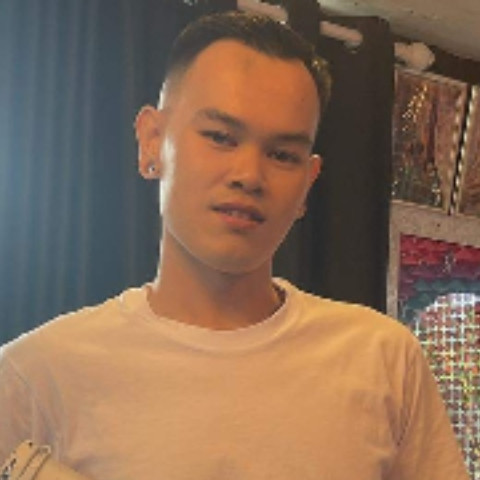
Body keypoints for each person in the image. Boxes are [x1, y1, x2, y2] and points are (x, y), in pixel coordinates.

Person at [0, 10, 469, 480]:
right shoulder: (34, 377)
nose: (249, 175)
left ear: (308, 183)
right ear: (152, 141)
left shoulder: (383, 360)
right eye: (221, 137)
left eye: (282, 154)